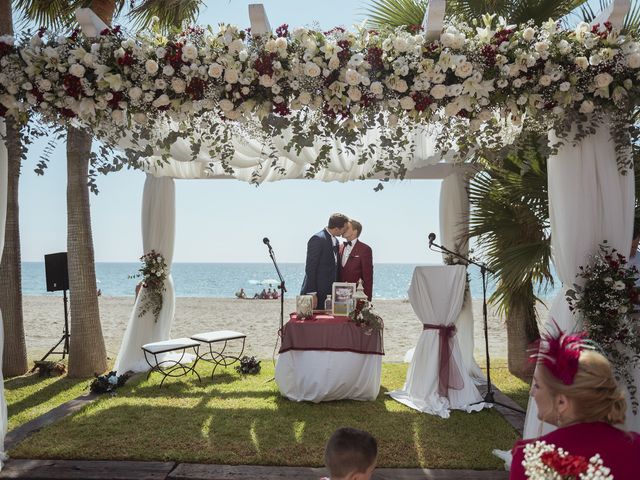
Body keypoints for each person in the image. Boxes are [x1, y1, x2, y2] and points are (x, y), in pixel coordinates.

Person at [510, 327, 640, 479]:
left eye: (537, 385)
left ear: (561, 402)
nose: (532, 393)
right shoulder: (635, 448)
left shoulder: (530, 458)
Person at [301, 213, 349, 308]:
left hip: (330, 294)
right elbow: (310, 268)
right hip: (317, 293)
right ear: (336, 229)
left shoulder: (336, 240)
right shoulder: (317, 239)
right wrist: (312, 293)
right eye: (345, 228)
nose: (345, 230)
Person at [338, 220, 373, 301]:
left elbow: (368, 277)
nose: (344, 229)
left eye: (347, 228)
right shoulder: (339, 247)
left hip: (356, 296)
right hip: (339, 295)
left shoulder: (365, 249)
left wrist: (367, 300)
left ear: (355, 231)